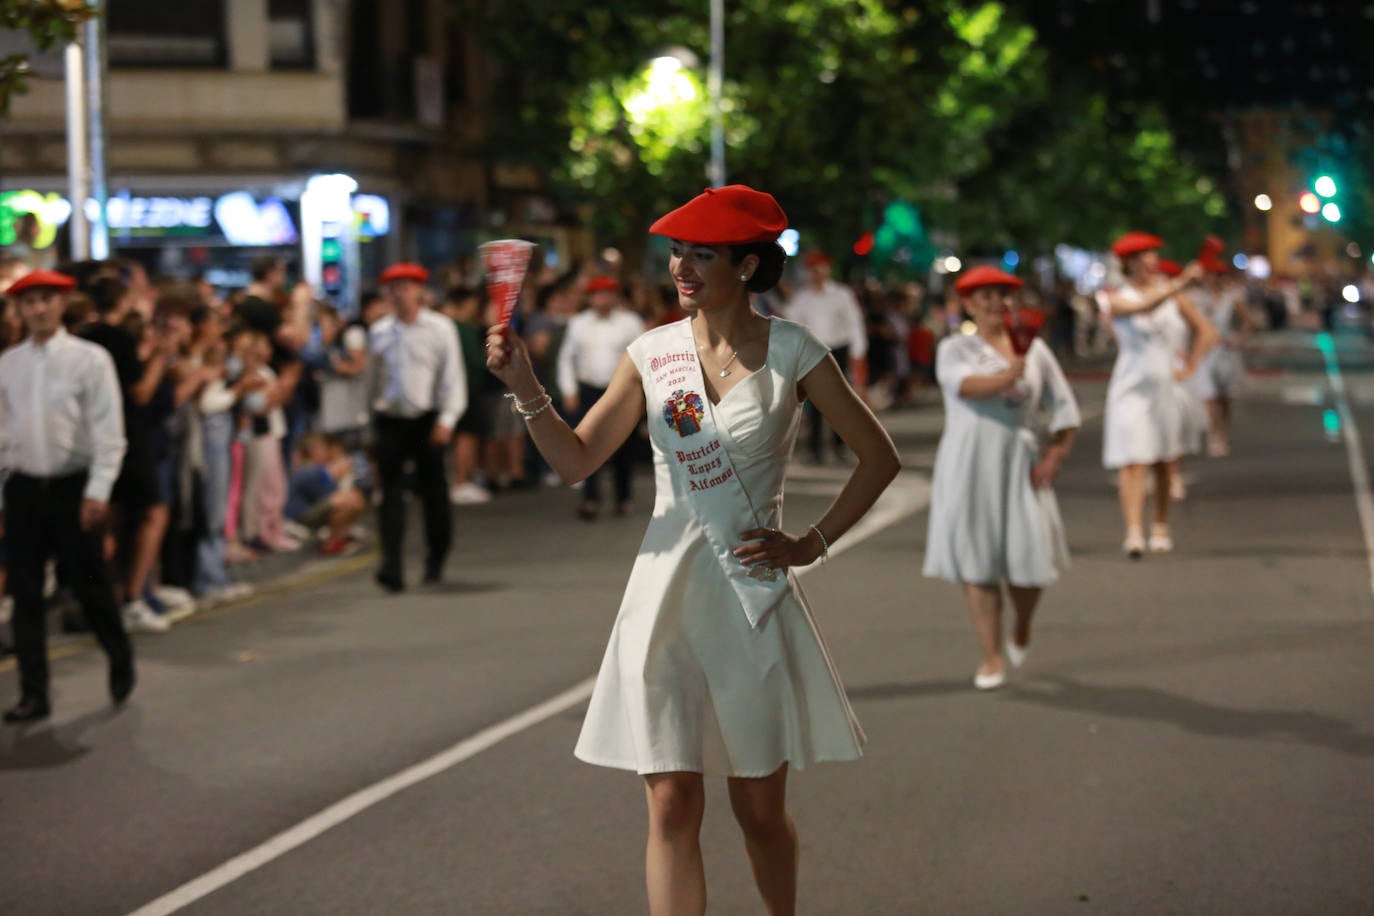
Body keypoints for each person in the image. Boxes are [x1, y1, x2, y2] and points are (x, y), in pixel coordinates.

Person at [486, 185, 900, 914]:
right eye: (677, 251)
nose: (681, 266)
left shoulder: (795, 352)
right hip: (663, 592)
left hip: (750, 593)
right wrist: (526, 386)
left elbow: (878, 457)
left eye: (701, 254)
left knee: (758, 810)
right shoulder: (651, 353)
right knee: (672, 804)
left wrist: (811, 543)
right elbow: (577, 460)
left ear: (746, 266)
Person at [923, 267, 1081, 690]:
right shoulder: (955, 348)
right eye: (985, 296)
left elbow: (1064, 410)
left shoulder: (1037, 351)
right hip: (970, 463)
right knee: (978, 564)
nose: (996, 303)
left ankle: (1022, 624)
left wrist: (1055, 456)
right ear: (969, 304)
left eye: (1003, 295)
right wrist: (1010, 373)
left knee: (1031, 564)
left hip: (1021, 463)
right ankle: (991, 656)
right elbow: (967, 388)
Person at [0, 269, 135, 723]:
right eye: (29, 302)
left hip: (72, 486)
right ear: (19, 310)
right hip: (24, 487)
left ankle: (119, 655)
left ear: (61, 305)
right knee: (26, 592)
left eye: (46, 300)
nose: (38, 309)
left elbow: (108, 430)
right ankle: (34, 692)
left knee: (88, 583)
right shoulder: (8, 364)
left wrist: (98, 489)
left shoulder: (89, 359)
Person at [1099, 233, 1211, 558]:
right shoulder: (1113, 297)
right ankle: (1133, 531)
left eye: (1153, 256)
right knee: (1131, 459)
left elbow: (1206, 330)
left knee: (1163, 459)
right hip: (1130, 385)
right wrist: (1182, 282)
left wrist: (1189, 365)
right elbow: (1140, 308)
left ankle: (1160, 525)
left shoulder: (1174, 297)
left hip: (1165, 386)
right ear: (1129, 263)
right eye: (1144, 256)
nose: (1151, 262)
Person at [367, 262, 467, 592]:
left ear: (420, 290)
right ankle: (391, 565)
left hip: (428, 419)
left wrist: (447, 419)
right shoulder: (380, 331)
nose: (400, 293)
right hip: (391, 418)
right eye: (394, 287)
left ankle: (436, 556)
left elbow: (452, 377)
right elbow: (372, 380)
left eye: (407, 286)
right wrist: (370, 420)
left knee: (434, 491)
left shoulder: (440, 328)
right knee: (390, 494)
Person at [557, 276, 646, 519]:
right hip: (588, 389)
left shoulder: (629, 322)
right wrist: (569, 389)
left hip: (621, 391)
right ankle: (590, 498)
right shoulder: (578, 323)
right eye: (597, 294)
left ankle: (623, 497)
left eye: (607, 294)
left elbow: (642, 355)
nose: (602, 299)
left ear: (615, 296)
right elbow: (567, 357)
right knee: (585, 443)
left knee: (623, 445)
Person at [784, 251, 869, 463]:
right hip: (813, 351)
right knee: (814, 403)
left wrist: (857, 353)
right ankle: (815, 450)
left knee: (840, 402)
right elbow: (792, 325)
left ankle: (840, 446)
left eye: (820, 267)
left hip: (838, 350)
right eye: (813, 268)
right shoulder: (802, 299)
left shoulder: (841, 294)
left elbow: (854, 325)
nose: (817, 272)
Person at [1153, 260, 1217, 502]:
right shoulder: (1139, 301)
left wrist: (1191, 363)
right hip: (1146, 373)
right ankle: (1158, 474)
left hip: (1173, 373)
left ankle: (1174, 474)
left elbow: (1208, 332)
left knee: (1173, 426)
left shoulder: (1178, 300)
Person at [1191, 263, 1253, 457]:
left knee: (1225, 398)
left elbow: (1249, 321)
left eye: (1214, 275)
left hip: (1226, 350)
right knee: (1209, 396)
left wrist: (1238, 340)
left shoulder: (1232, 298)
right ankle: (1213, 436)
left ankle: (1222, 433)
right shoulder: (1198, 299)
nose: (1210, 280)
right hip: (1207, 351)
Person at [286, 433, 365, 554]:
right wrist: (337, 474)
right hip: (300, 516)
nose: (326, 452)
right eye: (323, 448)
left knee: (352, 498)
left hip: (311, 510)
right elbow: (329, 494)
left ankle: (340, 538)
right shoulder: (308, 470)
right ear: (313, 451)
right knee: (347, 499)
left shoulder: (317, 468)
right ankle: (333, 541)